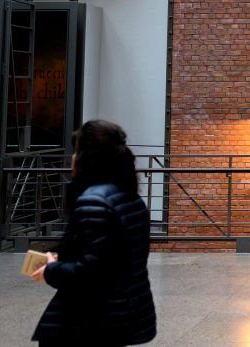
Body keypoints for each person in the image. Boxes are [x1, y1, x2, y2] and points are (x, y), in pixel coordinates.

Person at [30, 120, 157, 346]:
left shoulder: (94, 200)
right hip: (120, 314)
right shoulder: (130, 197)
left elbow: (91, 273)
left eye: (76, 150)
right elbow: (112, 258)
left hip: (90, 321)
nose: (72, 157)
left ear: (88, 158)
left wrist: (51, 269)